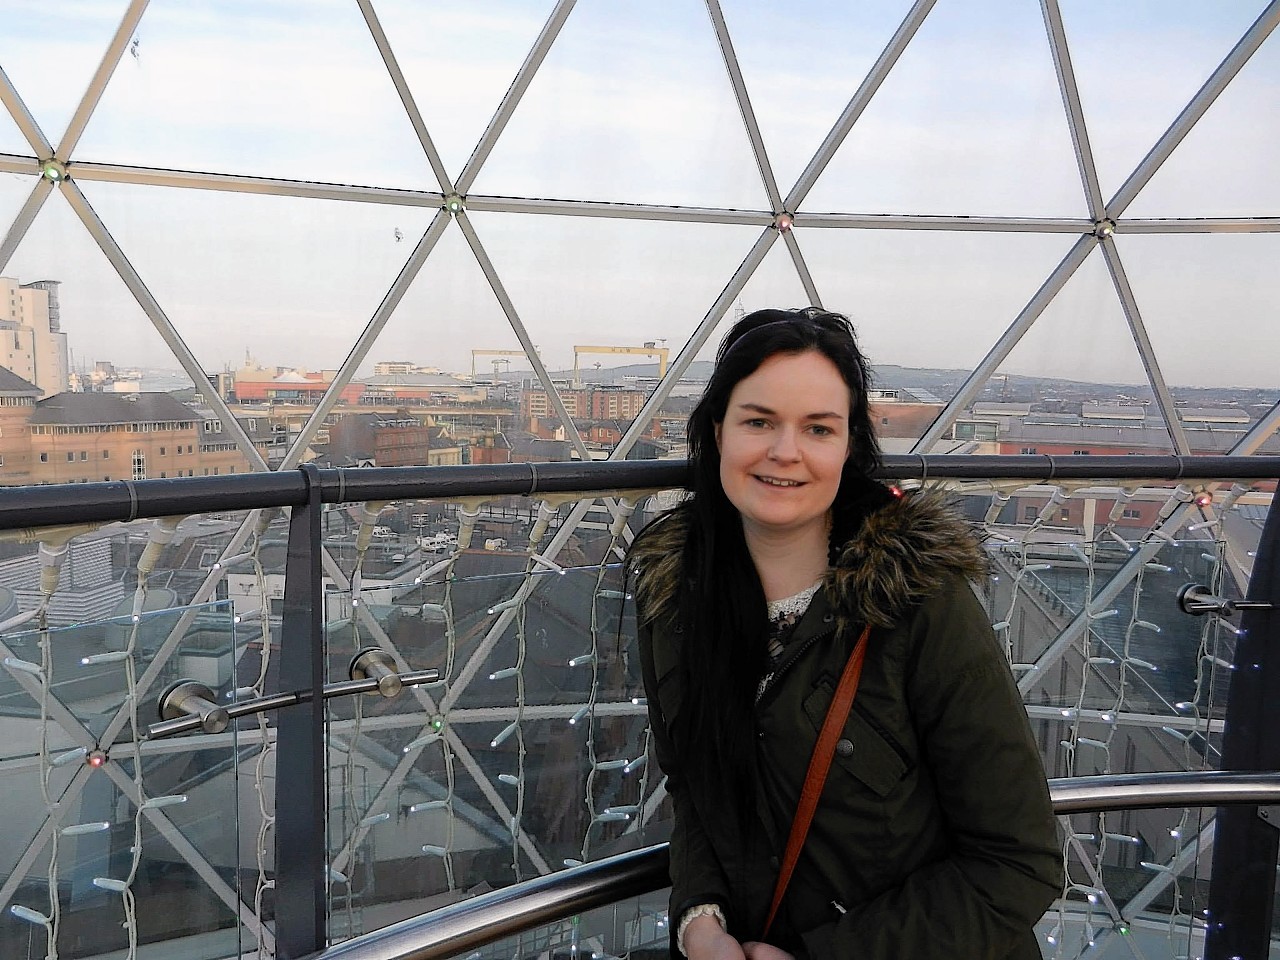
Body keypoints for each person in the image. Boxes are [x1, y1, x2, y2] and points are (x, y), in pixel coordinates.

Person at [628, 308, 1061, 959]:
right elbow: (697, 795)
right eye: (759, 421)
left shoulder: (919, 601)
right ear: (717, 431)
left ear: (848, 446)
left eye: (818, 428)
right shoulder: (673, 599)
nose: (785, 452)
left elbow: (1017, 866)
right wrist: (699, 921)